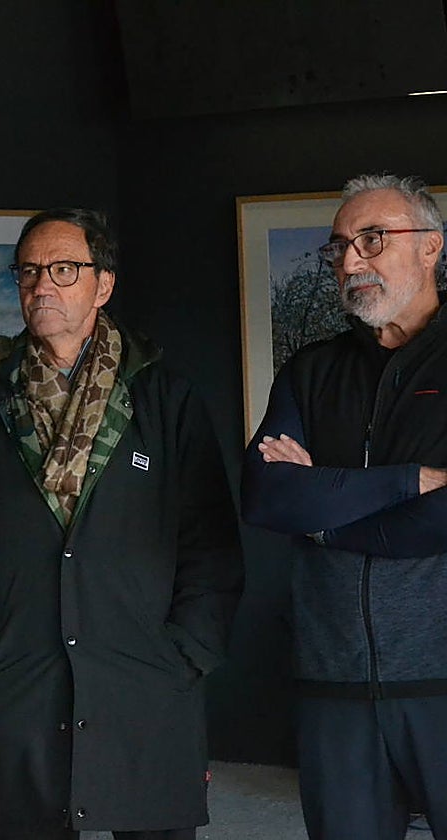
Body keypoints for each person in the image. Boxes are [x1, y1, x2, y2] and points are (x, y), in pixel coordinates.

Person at [0, 208, 243, 840]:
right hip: (19, 681)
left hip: (146, 679)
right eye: (30, 271)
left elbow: (211, 540)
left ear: (104, 284)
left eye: (65, 269)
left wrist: (187, 652)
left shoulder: (163, 402)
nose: (44, 286)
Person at [241, 174, 447, 840]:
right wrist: (403, 481)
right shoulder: (311, 371)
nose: (351, 260)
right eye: (339, 248)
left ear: (431, 247)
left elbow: (439, 519)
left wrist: (324, 512)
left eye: (372, 239)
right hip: (333, 680)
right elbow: (269, 496)